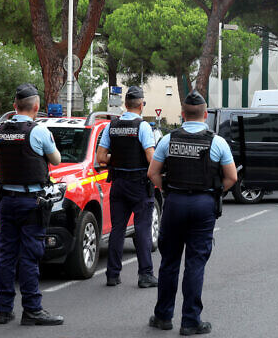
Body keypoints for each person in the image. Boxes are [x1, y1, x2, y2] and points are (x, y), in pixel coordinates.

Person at [147, 90, 237, 336]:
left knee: (169, 263)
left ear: (183, 114)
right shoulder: (217, 142)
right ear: (205, 115)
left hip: (174, 202)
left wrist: (167, 189)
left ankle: (163, 316)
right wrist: (214, 193)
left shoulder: (168, 140)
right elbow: (232, 177)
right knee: (195, 263)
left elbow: (152, 173)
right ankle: (190, 321)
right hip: (203, 204)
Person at [0, 83, 63, 326]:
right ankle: (32, 309)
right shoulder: (39, 131)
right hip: (30, 202)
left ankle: (4, 310)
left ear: (14, 106)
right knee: (30, 256)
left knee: (7, 255)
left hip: (6, 202)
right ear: (36, 107)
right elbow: (56, 159)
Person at [96, 86, 157, 288]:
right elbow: (151, 158)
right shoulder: (143, 127)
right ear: (140, 105)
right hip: (139, 184)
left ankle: (112, 275)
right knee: (142, 230)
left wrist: (118, 158)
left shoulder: (111, 126)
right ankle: (145, 275)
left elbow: (101, 158)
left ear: (125, 104)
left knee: (118, 230)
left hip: (118, 184)